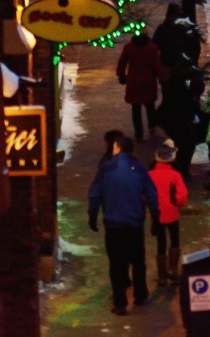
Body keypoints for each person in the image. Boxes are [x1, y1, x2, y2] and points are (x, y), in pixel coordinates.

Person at [88, 135, 159, 316]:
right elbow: (151, 194)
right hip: (134, 224)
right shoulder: (140, 169)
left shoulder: (106, 169)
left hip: (114, 226)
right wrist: (156, 218)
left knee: (117, 264)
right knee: (137, 261)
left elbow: (95, 194)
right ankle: (140, 294)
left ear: (117, 148)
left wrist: (93, 215)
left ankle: (120, 303)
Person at [156, 56, 207, 180]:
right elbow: (182, 104)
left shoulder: (178, 80)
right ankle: (180, 171)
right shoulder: (178, 84)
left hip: (172, 117)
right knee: (186, 144)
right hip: (173, 118)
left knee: (185, 144)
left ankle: (180, 168)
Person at [148, 139, 189, 286]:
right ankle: (172, 270)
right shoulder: (175, 175)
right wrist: (177, 204)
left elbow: (144, 194)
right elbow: (182, 195)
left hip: (156, 214)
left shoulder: (150, 174)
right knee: (174, 239)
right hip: (171, 213)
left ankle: (162, 276)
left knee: (161, 243)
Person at [117, 32, 167, 142]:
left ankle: (138, 133)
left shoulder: (129, 47)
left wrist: (121, 74)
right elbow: (157, 65)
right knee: (150, 106)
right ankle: (152, 126)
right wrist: (162, 80)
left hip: (133, 80)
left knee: (136, 108)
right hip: (148, 81)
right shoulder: (152, 48)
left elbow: (122, 62)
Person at [152, 3, 202, 70]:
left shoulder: (164, 28)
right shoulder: (164, 28)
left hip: (178, 64)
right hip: (170, 63)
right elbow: (155, 45)